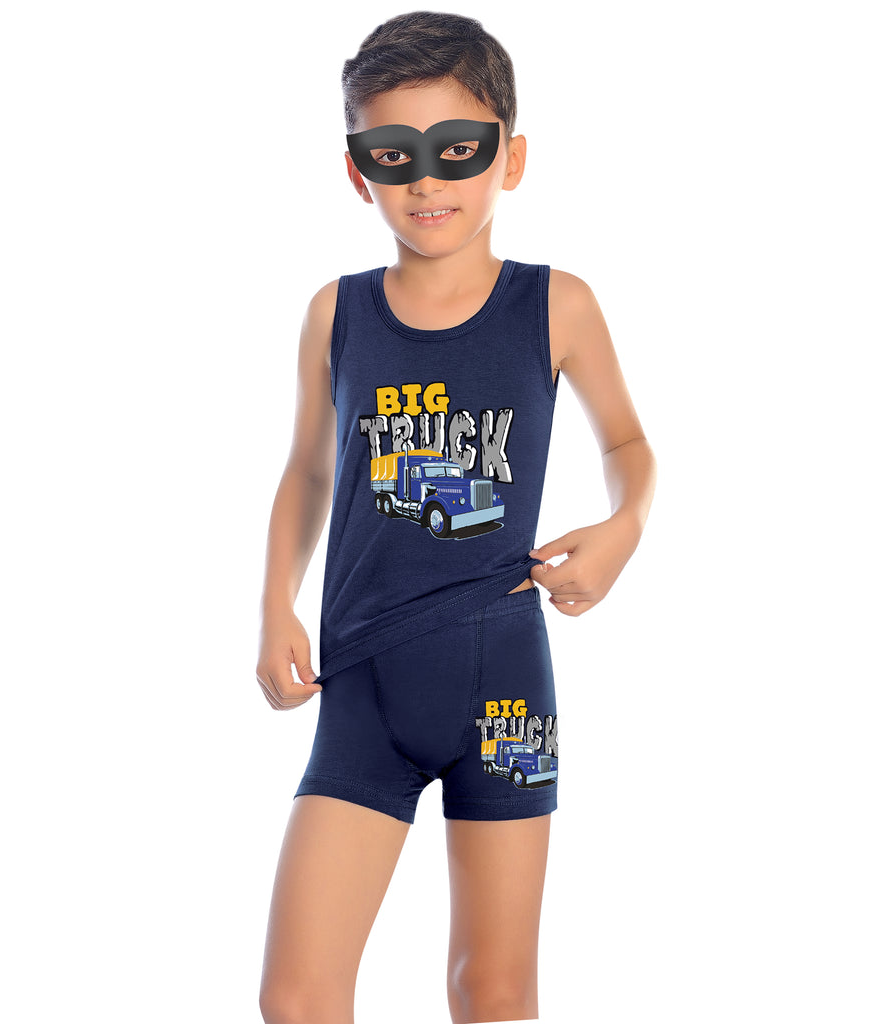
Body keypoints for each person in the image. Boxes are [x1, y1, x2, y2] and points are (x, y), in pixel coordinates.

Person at [255, 12, 656, 1024]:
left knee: (495, 990)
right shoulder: (336, 313)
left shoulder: (556, 305)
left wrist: (622, 528)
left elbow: (628, 444)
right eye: (395, 156)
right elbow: (307, 470)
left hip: (503, 681)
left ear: (509, 158)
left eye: (458, 151)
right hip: (363, 681)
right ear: (360, 173)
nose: (427, 181)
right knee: (297, 997)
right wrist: (274, 606)